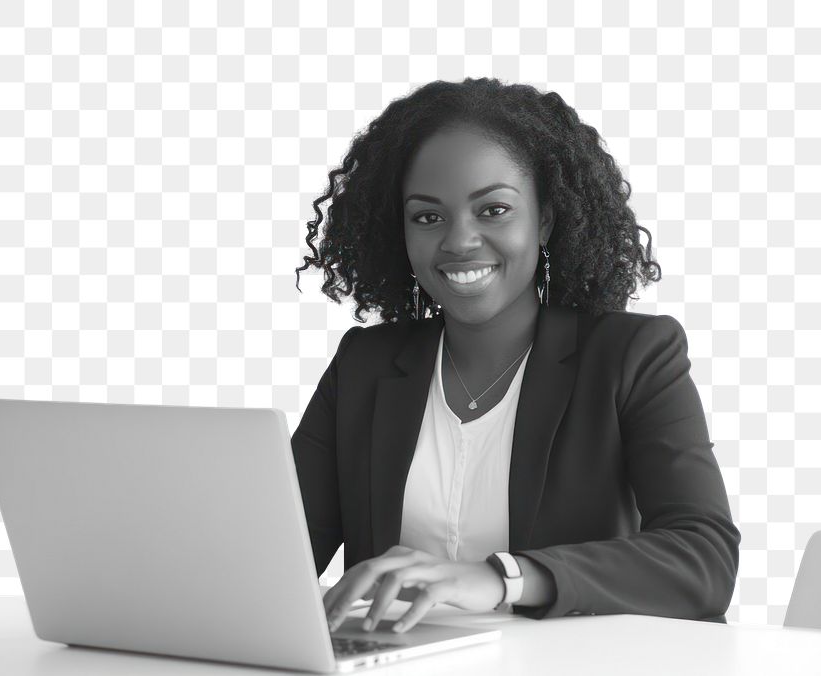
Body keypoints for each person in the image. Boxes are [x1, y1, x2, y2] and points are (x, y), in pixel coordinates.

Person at [291, 77, 740, 635]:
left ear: (545, 219)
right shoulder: (366, 365)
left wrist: (503, 578)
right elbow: (272, 559)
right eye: (428, 217)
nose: (459, 241)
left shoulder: (631, 357)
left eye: (494, 210)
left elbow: (704, 559)